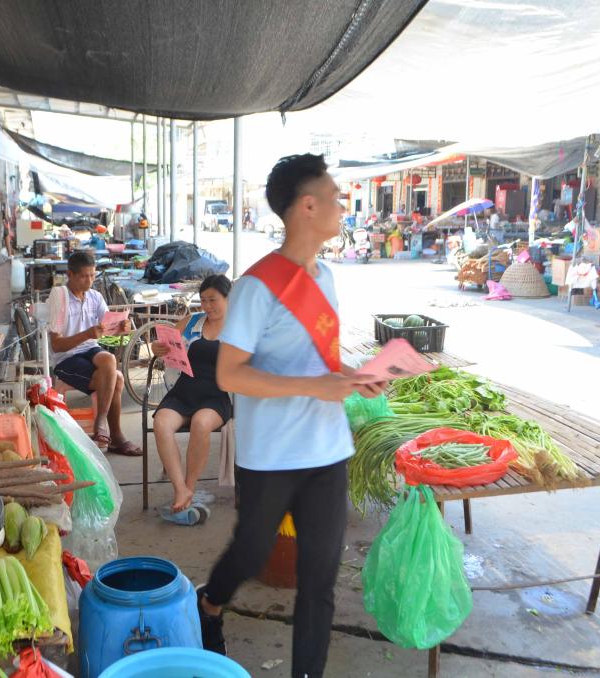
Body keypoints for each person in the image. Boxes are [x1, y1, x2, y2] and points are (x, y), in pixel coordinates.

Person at [197, 154, 386, 677]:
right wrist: (314, 386)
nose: (343, 207)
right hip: (272, 454)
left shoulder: (326, 277)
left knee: (319, 582)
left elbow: (319, 361)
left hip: (327, 450)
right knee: (252, 552)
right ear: (307, 206)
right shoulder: (257, 286)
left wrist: (354, 376)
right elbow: (230, 374)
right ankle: (210, 602)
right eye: (335, 197)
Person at [151, 274, 233, 525]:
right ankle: (181, 490)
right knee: (161, 423)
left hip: (218, 395)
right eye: (203, 300)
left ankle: (190, 486)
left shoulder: (239, 328)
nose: (207, 306)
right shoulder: (191, 322)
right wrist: (157, 348)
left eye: (213, 300)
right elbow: (163, 345)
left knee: (200, 423)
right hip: (184, 389)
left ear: (228, 298)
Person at [48, 250, 142, 456]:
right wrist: (87, 334)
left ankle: (101, 421)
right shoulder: (60, 297)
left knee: (108, 358)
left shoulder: (95, 297)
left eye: (92, 275)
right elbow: (56, 346)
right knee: (117, 379)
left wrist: (122, 327)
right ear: (70, 275)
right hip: (66, 358)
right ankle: (116, 437)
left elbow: (108, 329)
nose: (89, 280)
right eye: (84, 276)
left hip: (90, 349)